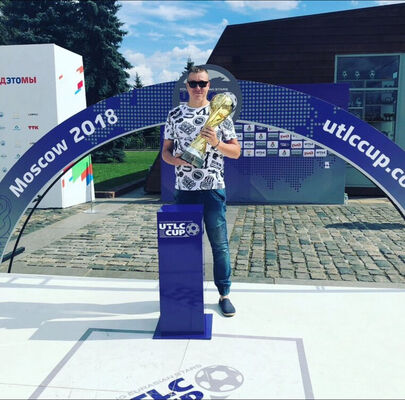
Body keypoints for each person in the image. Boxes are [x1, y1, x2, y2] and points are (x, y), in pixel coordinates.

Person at [162, 66, 241, 317]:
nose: (198, 87)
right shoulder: (175, 115)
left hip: (213, 188)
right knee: (186, 245)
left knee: (220, 245)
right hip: (185, 190)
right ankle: (187, 294)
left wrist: (216, 142)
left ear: (209, 86)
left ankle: (224, 294)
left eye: (203, 83)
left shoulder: (221, 113)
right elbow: (165, 152)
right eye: (193, 83)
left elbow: (236, 152)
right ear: (186, 86)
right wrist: (176, 161)